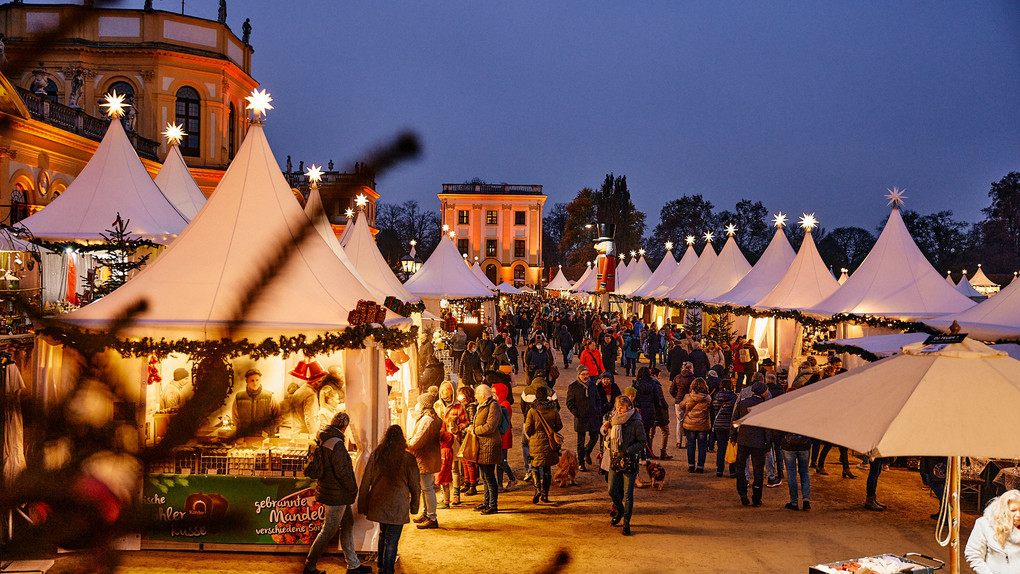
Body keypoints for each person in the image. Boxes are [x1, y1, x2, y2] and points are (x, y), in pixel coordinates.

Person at [303, 413, 370, 574]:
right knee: (329, 530)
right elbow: (343, 472)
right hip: (337, 493)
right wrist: (354, 488)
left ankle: (353, 564)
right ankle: (309, 566)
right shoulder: (337, 443)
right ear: (344, 427)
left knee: (347, 524)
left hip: (331, 489)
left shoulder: (324, 436)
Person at [357, 425, 421, 574]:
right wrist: (414, 506)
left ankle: (381, 567)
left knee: (383, 534)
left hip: (378, 502)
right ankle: (387, 570)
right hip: (398, 505)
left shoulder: (377, 454)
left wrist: (363, 503)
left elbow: (366, 481)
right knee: (391, 540)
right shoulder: (408, 458)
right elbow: (415, 486)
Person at [602, 395, 646, 536]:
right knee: (612, 490)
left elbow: (642, 441)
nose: (619, 410)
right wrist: (605, 431)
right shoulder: (613, 418)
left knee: (628, 494)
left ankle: (626, 521)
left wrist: (628, 451)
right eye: (618, 407)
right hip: (614, 458)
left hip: (629, 461)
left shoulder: (635, 422)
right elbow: (605, 433)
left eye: (622, 407)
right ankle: (620, 510)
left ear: (629, 408)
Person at [730, 381, 772, 507]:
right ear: (762, 392)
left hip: (743, 440)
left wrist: (733, 437)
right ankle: (756, 498)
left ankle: (742, 492)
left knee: (740, 467)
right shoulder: (765, 406)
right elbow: (767, 428)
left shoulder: (743, 403)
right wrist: (768, 445)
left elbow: (735, 421)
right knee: (758, 470)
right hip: (759, 443)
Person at [407, 390, 442, 529]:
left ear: (424, 405)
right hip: (427, 456)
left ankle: (432, 517)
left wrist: (408, 443)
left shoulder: (427, 419)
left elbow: (418, 441)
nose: (417, 405)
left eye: (419, 403)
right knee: (425, 487)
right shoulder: (428, 417)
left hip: (426, 457)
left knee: (427, 488)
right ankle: (426, 513)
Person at [523, 385, 563, 503]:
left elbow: (528, 428)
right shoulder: (553, 409)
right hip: (550, 442)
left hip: (535, 441)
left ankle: (537, 489)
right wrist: (551, 431)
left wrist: (533, 435)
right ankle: (545, 494)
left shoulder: (532, 410)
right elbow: (559, 425)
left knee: (535, 466)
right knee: (547, 469)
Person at [965, 490, 1020, 574]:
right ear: (1003, 511)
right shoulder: (985, 524)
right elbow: (973, 554)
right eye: (1013, 510)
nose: (1018, 515)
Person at [566, 366, 604, 471]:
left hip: (593, 416)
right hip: (581, 418)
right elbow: (569, 403)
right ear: (578, 375)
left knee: (594, 437)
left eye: (587, 374)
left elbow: (598, 399)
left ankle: (587, 452)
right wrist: (577, 413)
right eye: (583, 374)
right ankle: (581, 462)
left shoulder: (592, 385)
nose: (585, 376)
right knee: (580, 442)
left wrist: (597, 409)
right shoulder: (573, 387)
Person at [473, 384, 503, 514]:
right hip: (482, 444)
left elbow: (491, 426)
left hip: (490, 444)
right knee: (484, 476)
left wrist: (475, 430)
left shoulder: (493, 405)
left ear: (483, 395)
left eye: (477, 394)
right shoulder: (483, 405)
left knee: (490, 477)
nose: (475, 396)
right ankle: (486, 502)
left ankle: (492, 505)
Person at [676, 378, 713, 473]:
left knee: (691, 445)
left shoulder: (687, 397)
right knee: (702, 446)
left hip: (690, 423)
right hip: (702, 424)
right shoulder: (708, 398)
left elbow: (681, 406)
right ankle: (700, 466)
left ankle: (691, 465)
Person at [231, 368, 280, 437]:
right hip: (245, 437)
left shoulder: (270, 396)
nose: (255, 383)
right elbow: (235, 418)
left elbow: (278, 416)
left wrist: (270, 430)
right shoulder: (239, 397)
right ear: (247, 381)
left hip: (265, 437)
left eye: (257, 380)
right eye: (252, 380)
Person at [710, 378, 738, 477]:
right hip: (730, 426)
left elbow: (714, 410)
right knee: (732, 447)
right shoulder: (734, 398)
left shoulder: (716, 397)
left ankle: (719, 470)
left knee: (721, 448)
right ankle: (732, 470)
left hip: (718, 425)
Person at [493, 383, 518, 492]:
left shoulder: (504, 405)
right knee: (499, 462)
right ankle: (499, 484)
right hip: (501, 436)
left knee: (501, 461)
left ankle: (512, 478)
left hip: (504, 436)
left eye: (495, 392)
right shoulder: (500, 403)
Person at [780, 429, 812, 511]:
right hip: (804, 445)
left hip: (788, 446)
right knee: (804, 472)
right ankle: (806, 499)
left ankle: (794, 501)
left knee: (791, 473)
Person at [646, 368, 672, 461]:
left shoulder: (647, 384)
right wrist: (665, 406)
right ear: (656, 375)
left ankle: (650, 451)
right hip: (659, 412)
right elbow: (660, 399)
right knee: (665, 432)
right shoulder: (656, 385)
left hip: (651, 411)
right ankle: (663, 451)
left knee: (651, 433)